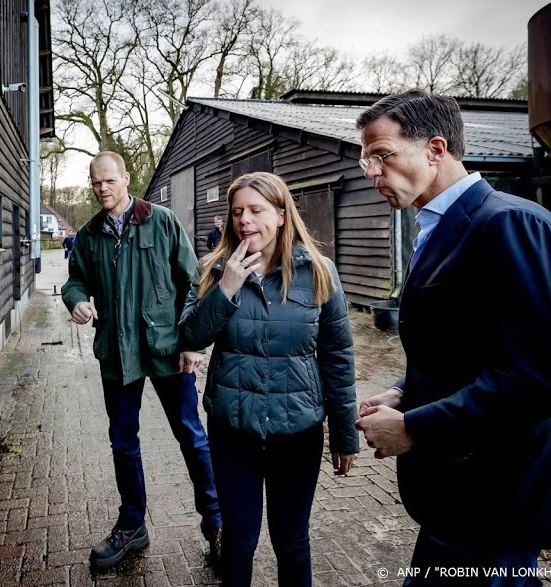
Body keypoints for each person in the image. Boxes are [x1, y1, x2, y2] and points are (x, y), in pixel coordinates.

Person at [354, 89, 551, 585]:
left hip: (499, 488)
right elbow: (469, 344)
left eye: (382, 155)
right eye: (365, 160)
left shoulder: (510, 223)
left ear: (435, 150)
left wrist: (414, 426)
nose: (371, 172)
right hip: (463, 485)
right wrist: (405, 390)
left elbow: (542, 378)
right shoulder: (437, 227)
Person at [178, 171, 358, 587]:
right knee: (239, 541)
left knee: (292, 542)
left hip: (297, 431)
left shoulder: (318, 272)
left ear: (280, 214)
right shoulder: (214, 269)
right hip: (232, 429)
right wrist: (225, 290)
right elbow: (189, 336)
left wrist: (344, 434)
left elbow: (337, 356)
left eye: (256, 210)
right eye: (238, 211)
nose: (245, 220)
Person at [62, 151, 222, 570]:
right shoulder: (89, 234)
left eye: (109, 181)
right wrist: (76, 300)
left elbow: (193, 282)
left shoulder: (161, 220)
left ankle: (217, 521)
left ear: (126, 179)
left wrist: (192, 342)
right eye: (96, 182)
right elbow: (75, 280)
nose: (102, 189)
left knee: (191, 435)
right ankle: (132, 525)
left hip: (167, 349)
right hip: (117, 354)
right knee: (123, 443)